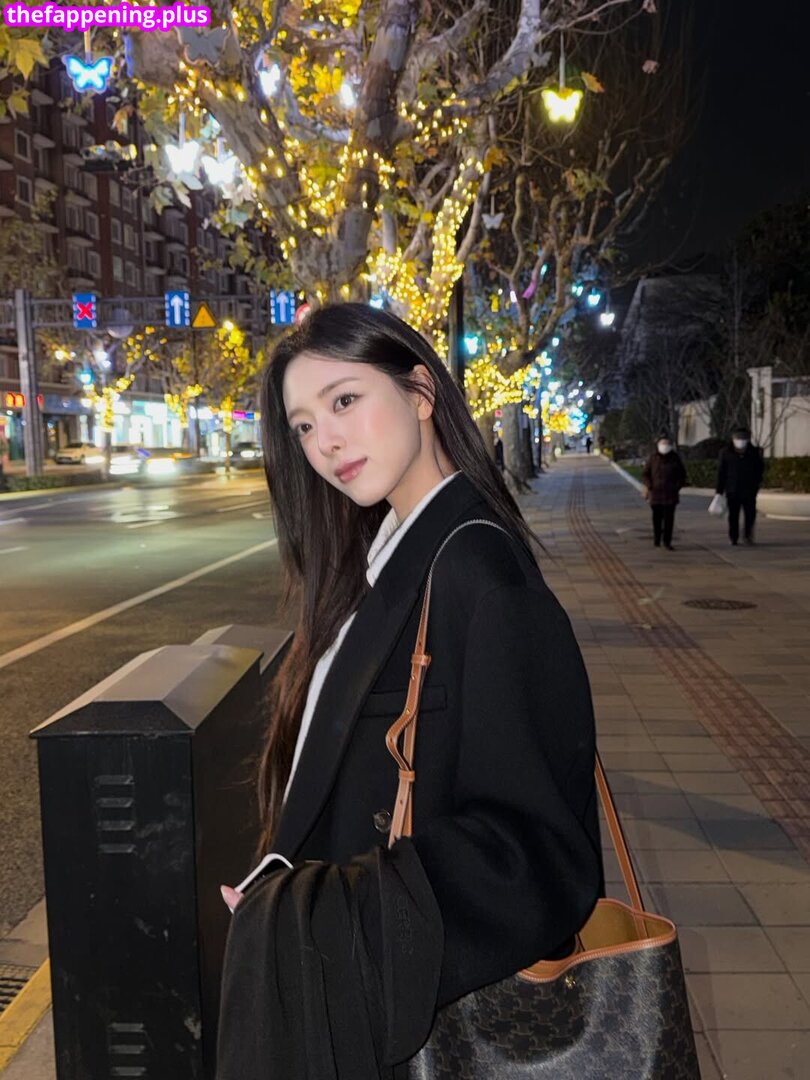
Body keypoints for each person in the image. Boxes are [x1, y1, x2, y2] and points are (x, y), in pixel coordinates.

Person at [216, 303, 603, 1079]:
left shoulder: (480, 575)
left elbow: (541, 849)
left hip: (406, 1017)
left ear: (420, 392)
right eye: (303, 426)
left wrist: (336, 912)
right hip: (350, 1003)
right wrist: (283, 893)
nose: (325, 442)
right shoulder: (386, 561)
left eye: (344, 401)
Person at [716, 426, 764, 545]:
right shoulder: (726, 453)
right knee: (733, 515)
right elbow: (721, 472)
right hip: (732, 490)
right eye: (738, 438)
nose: (740, 441)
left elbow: (759, 470)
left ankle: (748, 535)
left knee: (750, 515)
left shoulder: (754, 453)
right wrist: (719, 491)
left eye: (743, 438)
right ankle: (733, 537)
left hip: (749, 490)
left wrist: (756, 485)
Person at [642, 432, 687, 550]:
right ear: (658, 445)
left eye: (667, 443)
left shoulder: (675, 458)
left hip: (670, 494)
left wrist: (676, 486)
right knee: (656, 518)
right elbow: (646, 474)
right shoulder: (653, 458)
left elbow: (682, 475)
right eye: (662, 443)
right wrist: (649, 485)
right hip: (655, 494)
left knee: (669, 519)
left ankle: (667, 541)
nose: (664, 446)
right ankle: (657, 538)